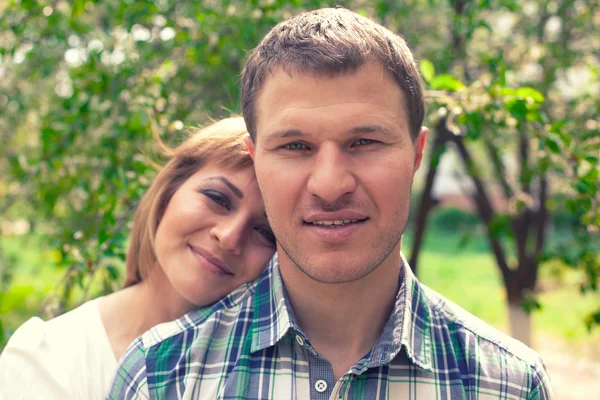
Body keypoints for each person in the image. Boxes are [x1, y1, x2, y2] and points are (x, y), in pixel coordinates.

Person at [107, 8, 554, 399]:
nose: (330, 185)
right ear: (255, 158)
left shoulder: (509, 384)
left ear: (417, 154)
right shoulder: (161, 375)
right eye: (295, 146)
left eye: (364, 141)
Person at [0, 117, 276, 400]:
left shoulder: (278, 372)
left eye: (265, 231)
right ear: (170, 190)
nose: (230, 237)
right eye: (217, 198)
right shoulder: (45, 361)